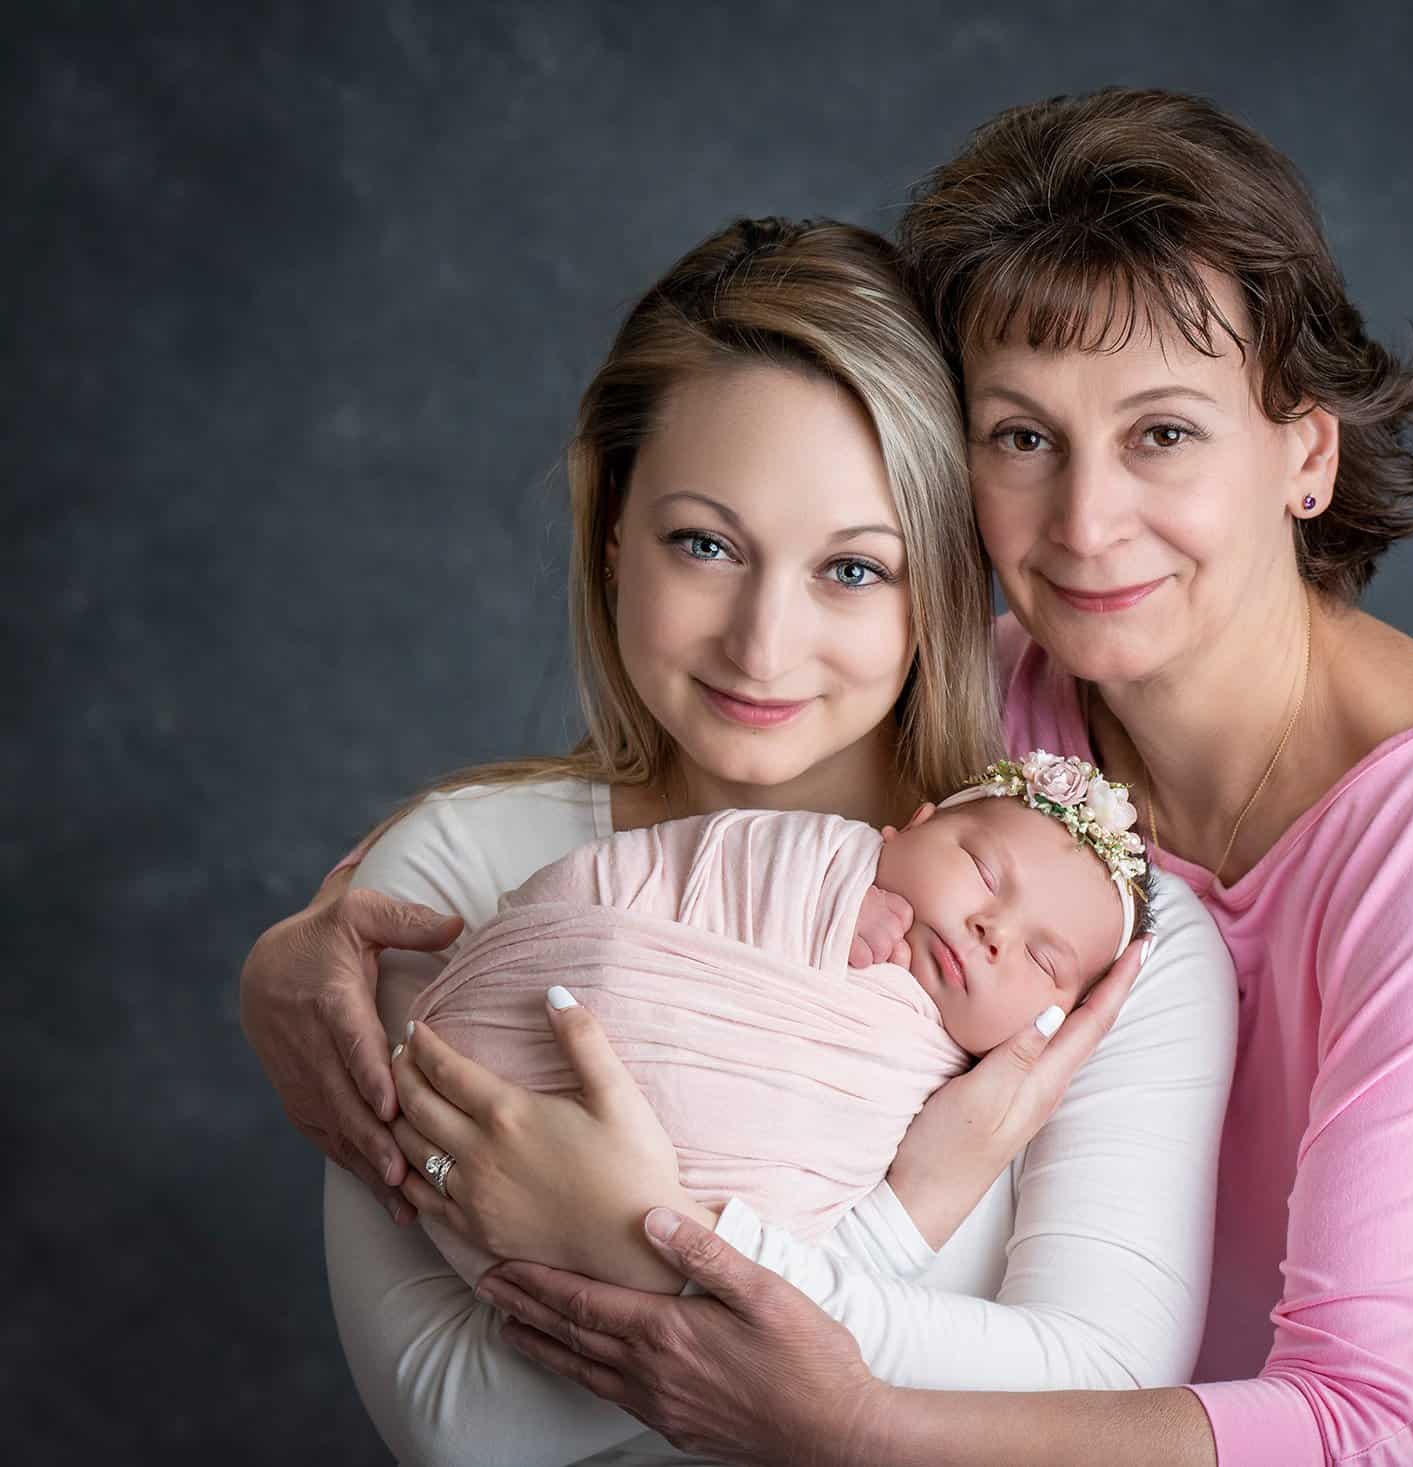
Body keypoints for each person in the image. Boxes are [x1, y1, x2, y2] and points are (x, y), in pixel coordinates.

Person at [437, 89, 1413, 1465]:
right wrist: (307, 961)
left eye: (1163, 433)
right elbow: (687, 819)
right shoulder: (1001, 706)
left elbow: (1370, 1428)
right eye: (1021, 435)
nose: (1082, 522)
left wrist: (851, 1422)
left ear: (1308, 449)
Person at [260, 215, 1237, 1465]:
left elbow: (1096, 1396)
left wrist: (634, 1235)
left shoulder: (1083, 938)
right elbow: (460, 1428)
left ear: (938, 581)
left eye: (853, 570)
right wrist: (883, 1238)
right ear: (611, 529)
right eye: (705, 545)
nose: (762, 646)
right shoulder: (451, 876)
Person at [398, 754, 1155, 1290]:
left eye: (1044, 959)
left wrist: (651, 1244)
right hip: (461, 1105)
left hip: (657, 1270)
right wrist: (817, 904)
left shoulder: (961, 1099)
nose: (994, 928)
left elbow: (810, 1277)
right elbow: (660, 874)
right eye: (986, 872)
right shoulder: (807, 853)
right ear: (910, 826)